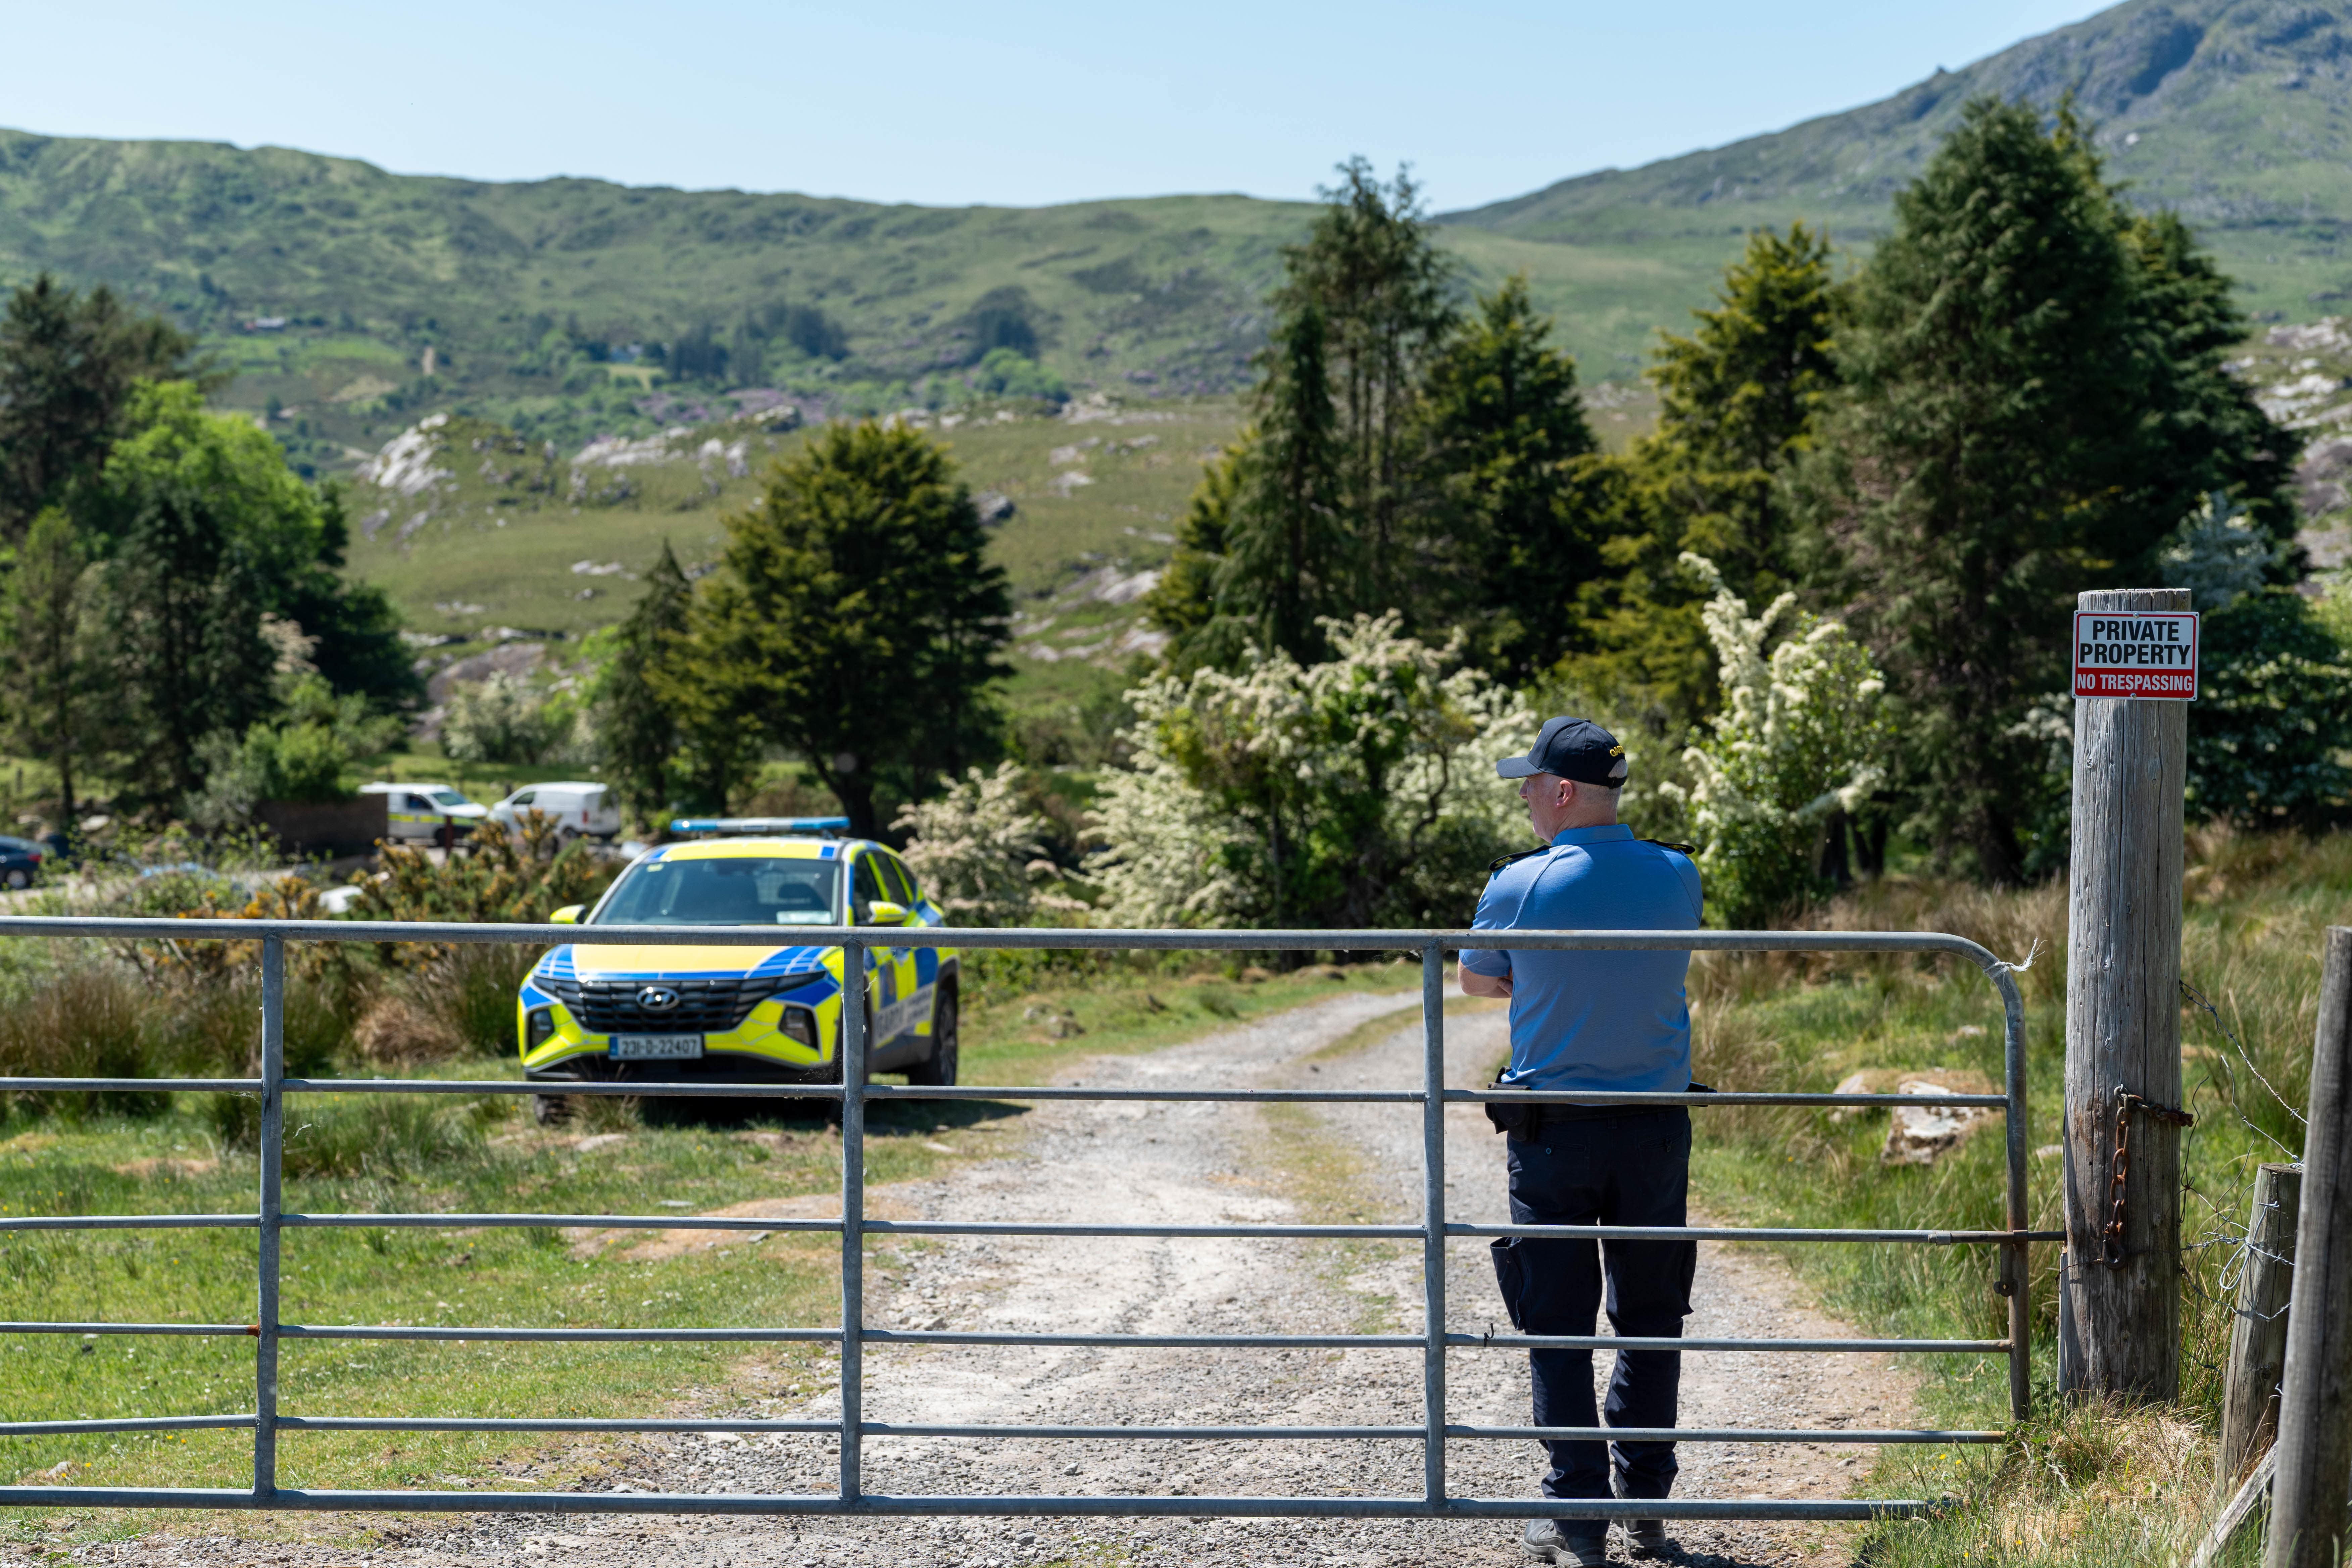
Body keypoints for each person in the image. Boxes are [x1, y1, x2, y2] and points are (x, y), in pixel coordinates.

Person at [1458, 715, 1703, 1567]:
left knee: (1558, 1320)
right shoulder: (1680, 874)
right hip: (1653, 1131)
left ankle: (1576, 1519)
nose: (1524, 795)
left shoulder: (1519, 884)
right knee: (1650, 1315)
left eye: (1529, 783)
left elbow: (1479, 976)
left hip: (1554, 1132)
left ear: (1563, 792)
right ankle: (1645, 1505)